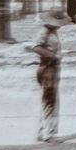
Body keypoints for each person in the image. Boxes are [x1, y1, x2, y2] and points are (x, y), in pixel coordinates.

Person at [26, 9, 68, 142]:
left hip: (52, 68)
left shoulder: (52, 31)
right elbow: (36, 47)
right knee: (50, 101)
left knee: (48, 101)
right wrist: (53, 56)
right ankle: (48, 134)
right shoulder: (44, 31)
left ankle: (42, 131)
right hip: (48, 68)